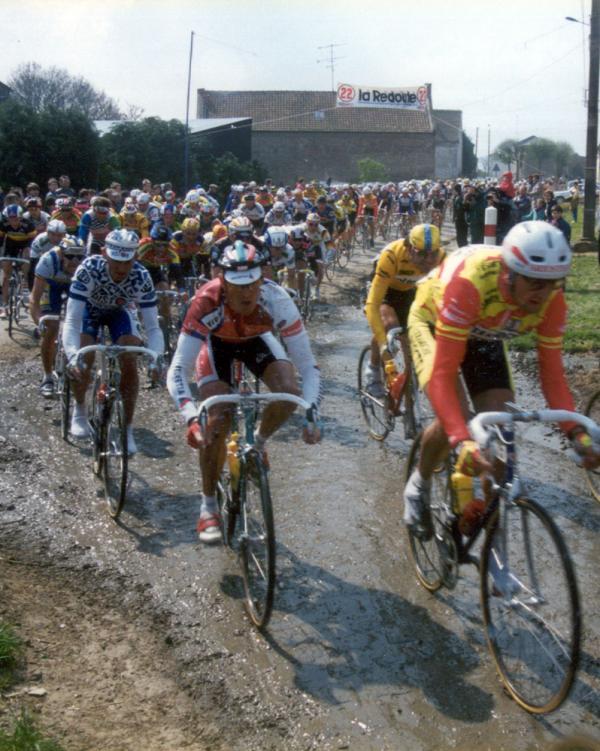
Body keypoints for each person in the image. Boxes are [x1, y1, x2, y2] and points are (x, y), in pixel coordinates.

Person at [404, 221, 600, 538]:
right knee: (456, 418)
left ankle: (490, 551)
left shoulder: (552, 300)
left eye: (552, 282)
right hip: (435, 318)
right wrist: (461, 439)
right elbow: (442, 377)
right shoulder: (470, 283)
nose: (544, 293)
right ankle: (419, 484)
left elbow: (552, 378)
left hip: (484, 330)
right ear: (509, 273)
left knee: (497, 426)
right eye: (535, 282)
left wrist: (576, 432)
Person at [167, 240, 322, 543]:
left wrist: (313, 412)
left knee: (288, 391)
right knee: (218, 418)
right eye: (237, 286)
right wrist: (190, 417)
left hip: (256, 341)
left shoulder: (277, 299)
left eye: (252, 284)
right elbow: (177, 371)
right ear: (222, 280)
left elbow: (308, 368)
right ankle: (208, 505)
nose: (246, 293)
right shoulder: (206, 301)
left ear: (262, 279)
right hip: (216, 345)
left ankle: (259, 443)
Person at [62, 229, 164, 452]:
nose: (120, 268)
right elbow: (71, 320)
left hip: (120, 311)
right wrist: (72, 356)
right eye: (115, 261)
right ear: (104, 253)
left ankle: (127, 428)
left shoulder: (141, 276)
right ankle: (79, 409)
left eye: (126, 262)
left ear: (135, 258)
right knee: (84, 353)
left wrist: (157, 358)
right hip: (90, 309)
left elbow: (153, 327)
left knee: (130, 356)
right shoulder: (88, 270)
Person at [364, 224, 444, 409]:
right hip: (388, 290)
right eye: (422, 254)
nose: (428, 260)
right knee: (390, 326)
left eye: (433, 253)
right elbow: (372, 305)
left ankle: (409, 405)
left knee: (413, 344)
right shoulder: (392, 255)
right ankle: (373, 369)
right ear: (408, 248)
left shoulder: (442, 258)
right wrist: (385, 352)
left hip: (414, 292)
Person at [30, 236, 85, 397]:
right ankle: (47, 377)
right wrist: (39, 322)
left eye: (79, 257)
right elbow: (34, 298)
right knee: (51, 328)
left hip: (74, 286)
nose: (75, 261)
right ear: (61, 254)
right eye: (70, 256)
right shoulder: (48, 261)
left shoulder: (85, 264)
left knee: (81, 327)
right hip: (51, 286)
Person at [0, 205, 36, 318]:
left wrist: (27, 250)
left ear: (21, 217)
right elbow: (0, 241)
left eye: (16, 218)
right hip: (10, 247)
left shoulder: (29, 225)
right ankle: (4, 306)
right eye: (10, 218)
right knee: (5, 276)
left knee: (26, 267)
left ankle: (27, 287)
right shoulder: (3, 224)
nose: (13, 221)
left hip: (25, 246)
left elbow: (32, 242)